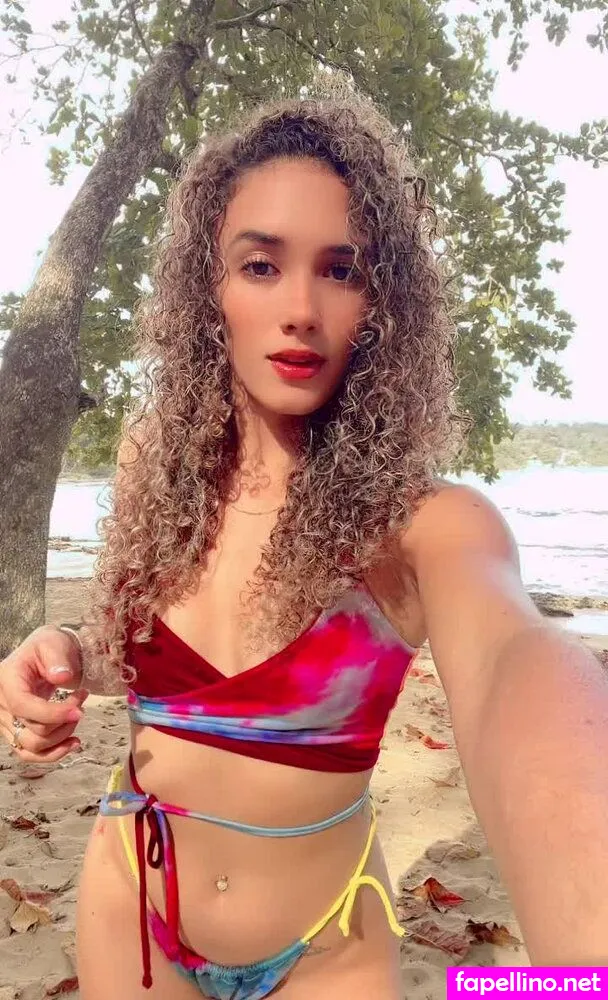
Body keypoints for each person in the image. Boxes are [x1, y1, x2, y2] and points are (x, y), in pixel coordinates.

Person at [2, 77, 608, 1000]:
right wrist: (65, 656)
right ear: (209, 288)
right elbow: (143, 666)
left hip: (330, 947)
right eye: (260, 265)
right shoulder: (152, 461)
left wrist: (585, 958)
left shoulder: (425, 525)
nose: (300, 308)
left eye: (341, 269)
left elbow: (516, 667)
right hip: (132, 907)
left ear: (384, 304)